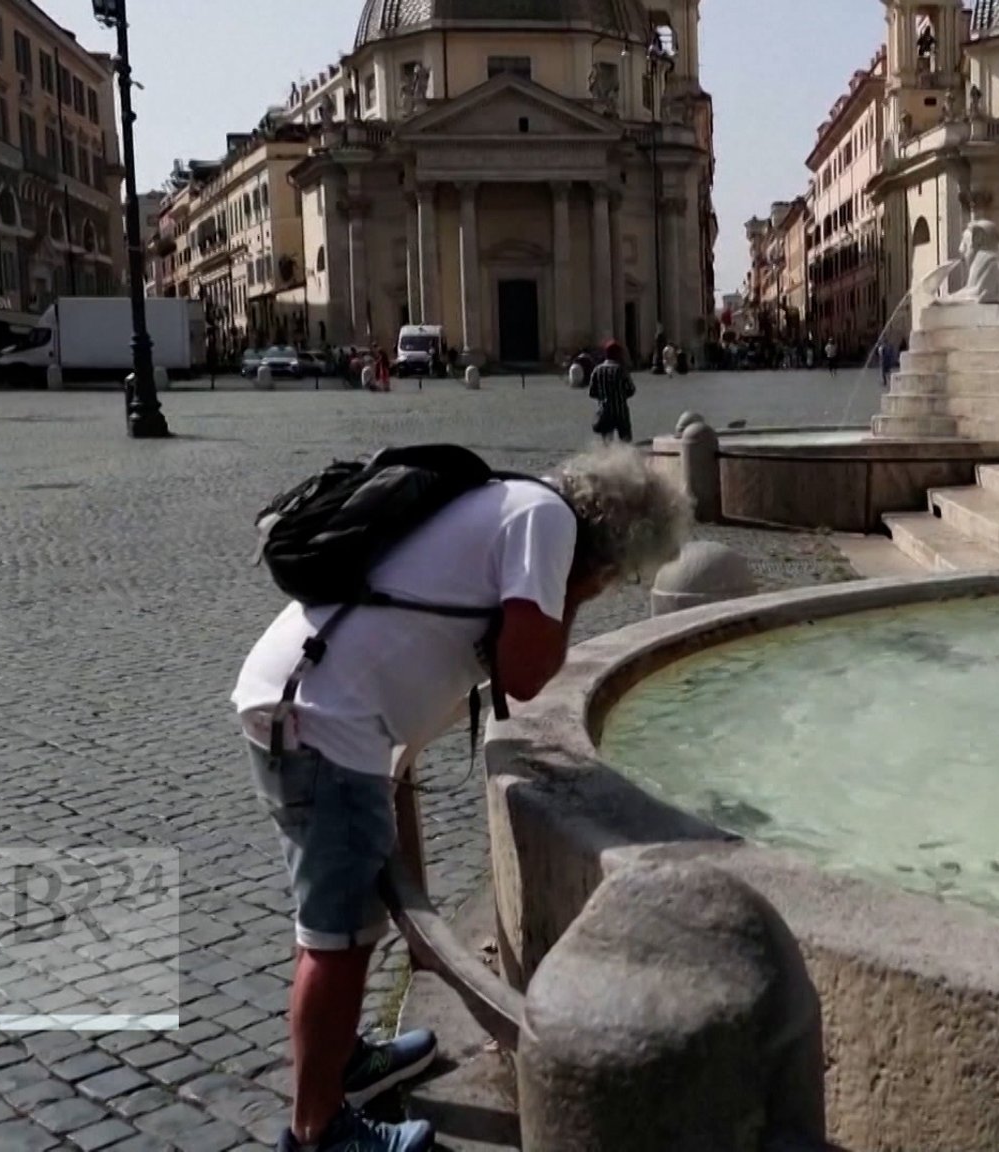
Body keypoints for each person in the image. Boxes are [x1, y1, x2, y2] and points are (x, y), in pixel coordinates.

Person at [233, 447, 690, 1152]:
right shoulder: (547, 525)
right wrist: (576, 591)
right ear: (619, 545)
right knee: (337, 938)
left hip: (302, 695)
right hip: (326, 723)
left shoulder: (509, 497)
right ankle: (317, 1130)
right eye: (623, 572)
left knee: (339, 920)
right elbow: (527, 670)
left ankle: (342, 1063)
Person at [588, 342, 635, 444]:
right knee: (626, 441)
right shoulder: (621, 370)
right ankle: (626, 457)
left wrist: (603, 397)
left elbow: (592, 392)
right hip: (620, 412)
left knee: (607, 443)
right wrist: (621, 396)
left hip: (605, 411)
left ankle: (607, 458)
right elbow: (631, 389)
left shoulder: (597, 370)